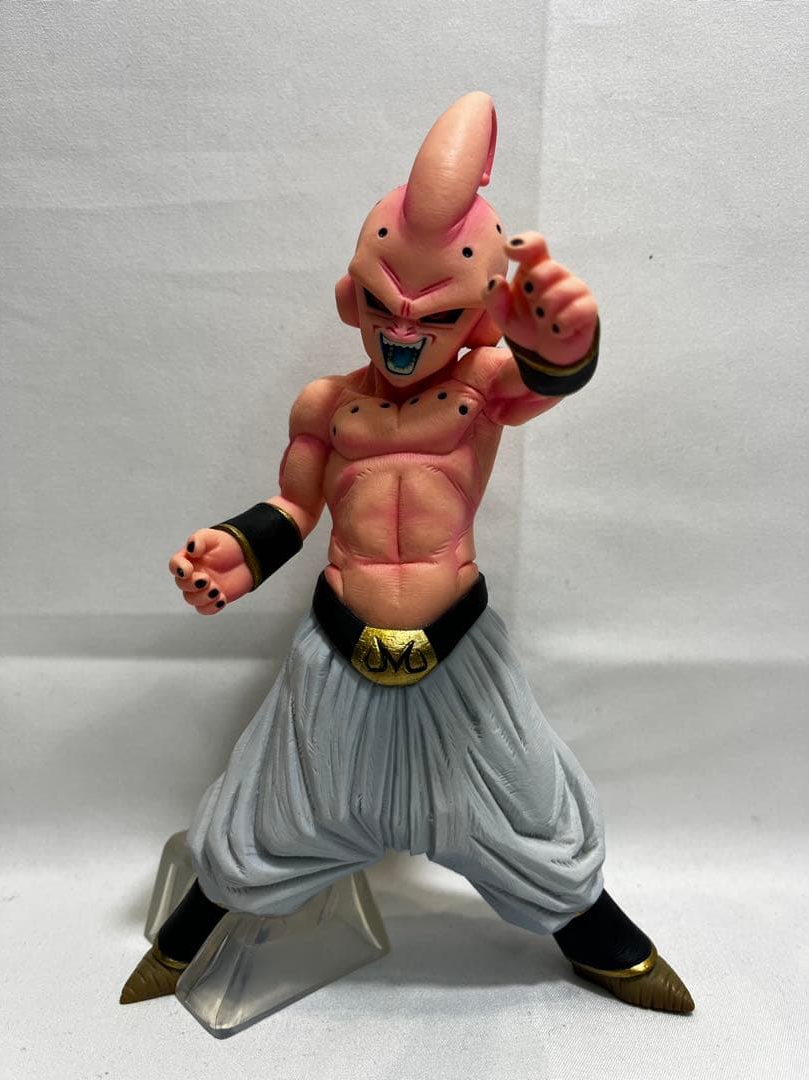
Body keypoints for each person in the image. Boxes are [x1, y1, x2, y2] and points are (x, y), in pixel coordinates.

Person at [121, 92, 693, 1015]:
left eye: (434, 316)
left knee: (526, 804)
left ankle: (596, 934)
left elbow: (546, 379)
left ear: (483, 317)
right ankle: (193, 930)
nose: (401, 333)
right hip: (335, 648)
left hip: (459, 652)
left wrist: (565, 347)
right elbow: (295, 506)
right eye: (385, 307)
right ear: (351, 297)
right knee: (271, 807)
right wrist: (234, 551)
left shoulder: (484, 386)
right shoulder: (326, 405)